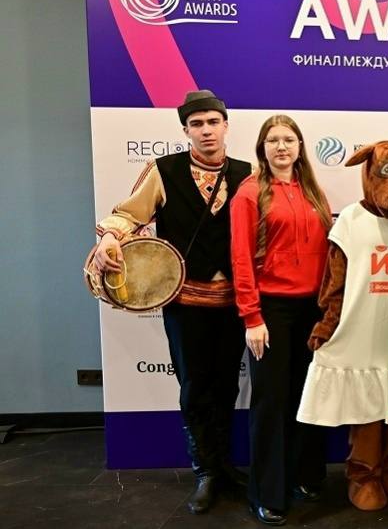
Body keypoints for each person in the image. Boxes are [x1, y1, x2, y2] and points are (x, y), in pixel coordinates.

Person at [92, 90, 252, 514]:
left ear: (225, 126)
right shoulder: (163, 171)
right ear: (185, 131)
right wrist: (109, 237)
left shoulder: (248, 173)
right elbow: (127, 215)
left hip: (233, 302)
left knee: (226, 385)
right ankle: (205, 471)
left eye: (213, 122)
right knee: (195, 386)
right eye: (197, 124)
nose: (206, 130)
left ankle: (224, 465)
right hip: (185, 301)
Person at [297, 141, 388, 511]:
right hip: (361, 327)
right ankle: (363, 471)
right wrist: (328, 321)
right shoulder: (351, 219)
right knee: (365, 405)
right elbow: (335, 279)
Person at [230, 115, 331, 525]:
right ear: (262, 148)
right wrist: (252, 317)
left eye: (289, 139)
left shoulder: (312, 191)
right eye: (273, 140)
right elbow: (240, 259)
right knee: (271, 403)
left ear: (300, 146)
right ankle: (267, 493)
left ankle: (304, 476)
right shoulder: (249, 193)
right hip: (270, 310)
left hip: (312, 309)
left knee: (307, 397)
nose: (282, 146)